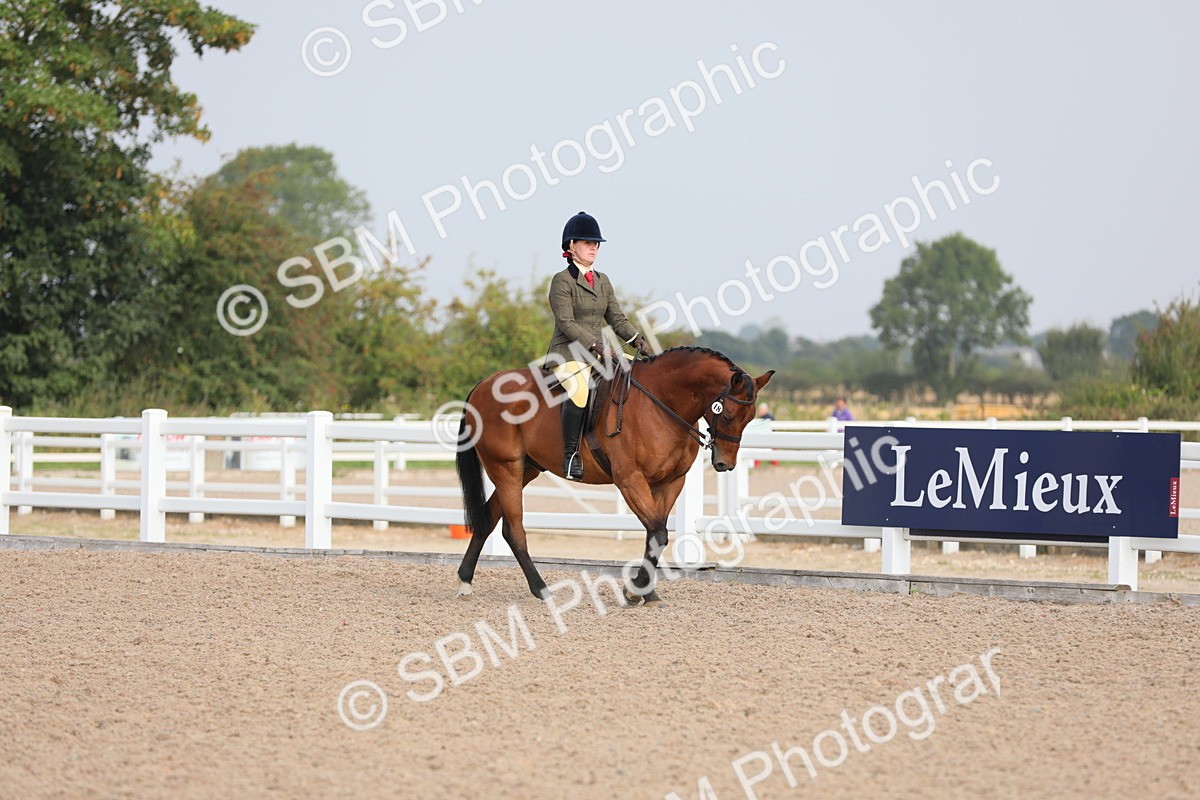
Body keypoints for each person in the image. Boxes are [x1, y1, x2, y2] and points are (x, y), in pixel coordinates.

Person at [544, 211, 651, 481]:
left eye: (596, 244)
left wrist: (636, 339)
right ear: (571, 246)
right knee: (579, 391)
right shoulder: (562, 281)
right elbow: (566, 322)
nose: (593, 248)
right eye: (587, 243)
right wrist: (595, 344)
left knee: (635, 374)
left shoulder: (603, 281)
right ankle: (571, 455)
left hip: (597, 354)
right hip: (567, 353)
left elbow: (617, 318)